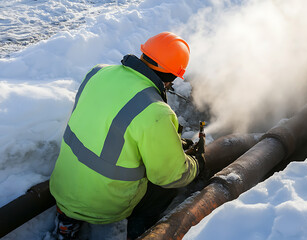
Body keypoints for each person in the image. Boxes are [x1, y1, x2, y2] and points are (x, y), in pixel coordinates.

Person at [49, 32, 205, 240]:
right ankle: (138, 231)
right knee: (164, 189)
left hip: (64, 186)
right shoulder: (155, 110)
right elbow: (170, 175)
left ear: (144, 54)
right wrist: (197, 163)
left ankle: (66, 225)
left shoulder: (97, 73)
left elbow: (108, 127)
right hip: (107, 207)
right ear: (173, 76)